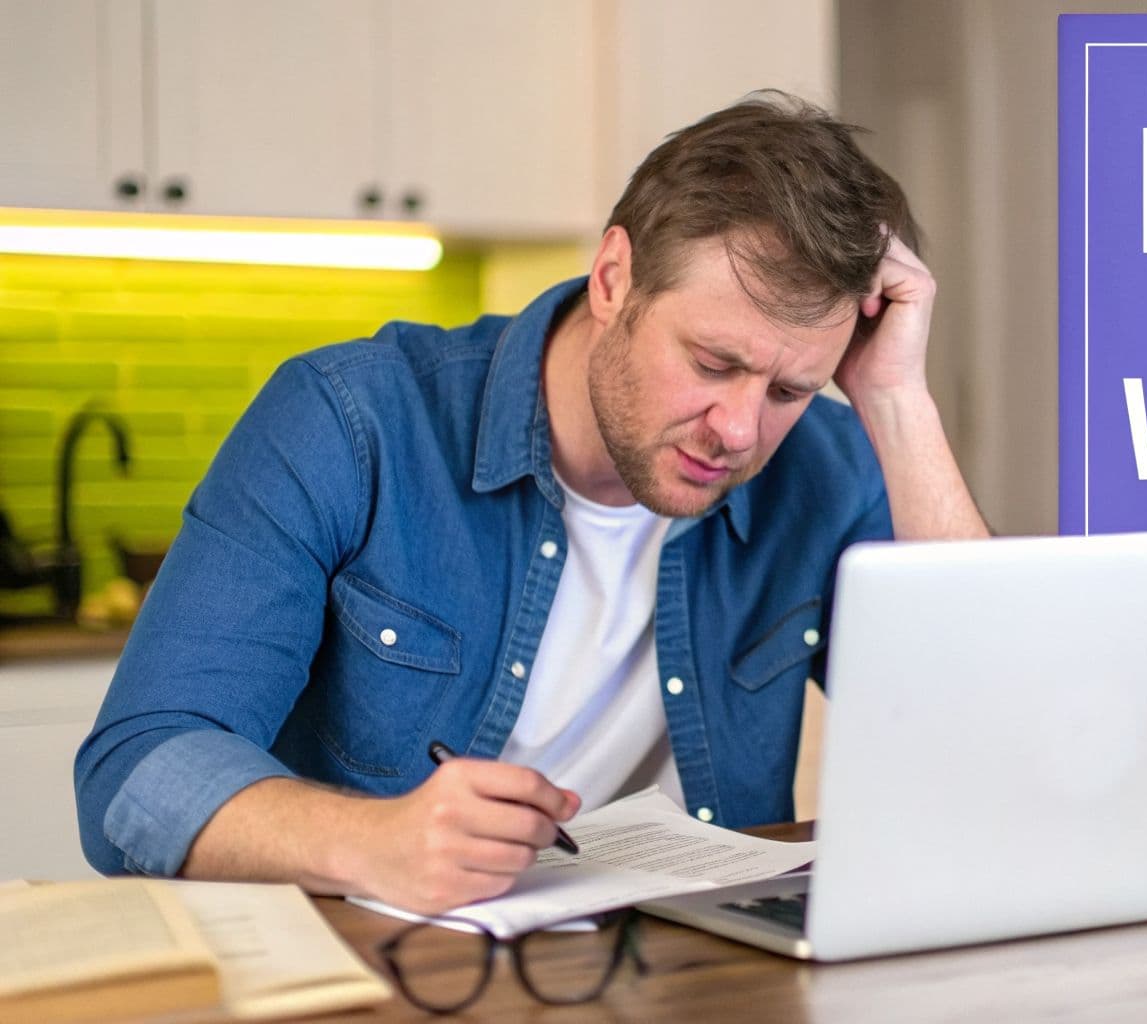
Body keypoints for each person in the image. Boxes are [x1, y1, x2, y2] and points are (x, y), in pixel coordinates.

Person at [74, 93, 988, 914]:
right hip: (392, 972)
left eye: (792, 389)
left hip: (702, 972)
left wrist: (896, 403)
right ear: (613, 277)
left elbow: (986, 738)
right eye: (714, 364)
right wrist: (371, 841)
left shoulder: (825, 468)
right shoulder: (355, 422)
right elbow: (134, 774)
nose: (742, 429)